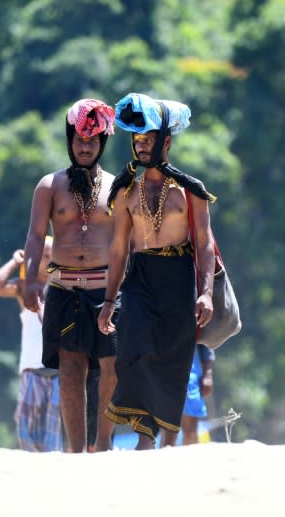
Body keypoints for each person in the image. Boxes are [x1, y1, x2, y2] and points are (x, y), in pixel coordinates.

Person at [98, 92, 217, 450]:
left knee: (173, 359)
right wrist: (107, 301)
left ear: (166, 142)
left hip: (179, 277)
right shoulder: (124, 191)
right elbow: (119, 248)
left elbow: (205, 243)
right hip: (141, 277)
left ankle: (165, 441)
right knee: (133, 349)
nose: (143, 146)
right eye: (138, 140)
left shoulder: (189, 189)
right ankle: (144, 435)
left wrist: (207, 292)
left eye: (149, 140)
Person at [22, 98, 118, 453]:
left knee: (112, 366)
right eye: (79, 140)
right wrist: (31, 280)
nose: (84, 147)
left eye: (91, 141)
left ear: (102, 144)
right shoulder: (50, 185)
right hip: (63, 288)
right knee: (71, 369)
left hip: (105, 290)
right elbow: (34, 236)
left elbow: (127, 244)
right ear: (69, 141)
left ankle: (104, 444)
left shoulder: (117, 186)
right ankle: (76, 451)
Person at [0, 238, 63, 452]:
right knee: (26, 428)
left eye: (52, 255)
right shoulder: (25, 288)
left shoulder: (62, 286)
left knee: (53, 432)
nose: (48, 261)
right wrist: (15, 262)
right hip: (31, 368)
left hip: (58, 370)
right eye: (44, 256)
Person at [160, 344, 215, 446]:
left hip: (190, 367)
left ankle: (192, 461)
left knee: (191, 429)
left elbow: (207, 338)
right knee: (169, 430)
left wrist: (208, 372)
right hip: (163, 365)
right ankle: (167, 460)